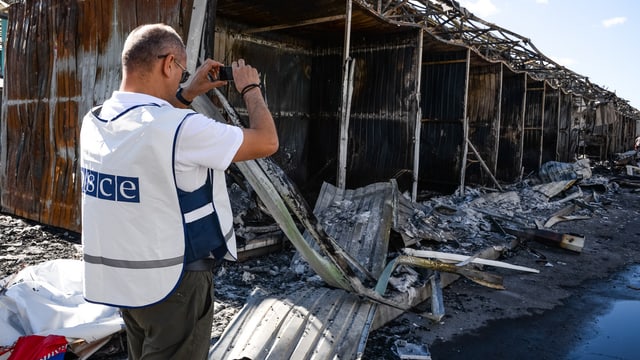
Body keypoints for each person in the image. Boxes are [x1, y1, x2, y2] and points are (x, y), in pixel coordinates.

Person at [79, 23, 278, 359]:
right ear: (168, 64)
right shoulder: (183, 128)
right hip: (175, 285)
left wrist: (187, 92)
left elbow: (155, 129)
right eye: (180, 70)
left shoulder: (96, 121)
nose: (180, 77)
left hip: (126, 283)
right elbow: (267, 141)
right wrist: (251, 89)